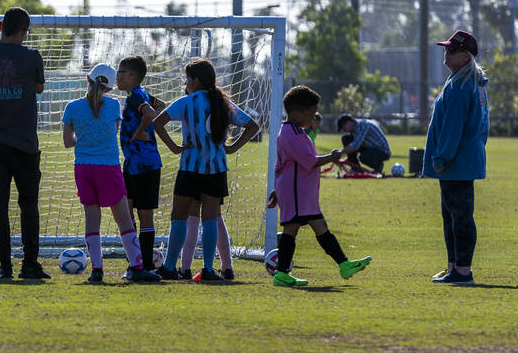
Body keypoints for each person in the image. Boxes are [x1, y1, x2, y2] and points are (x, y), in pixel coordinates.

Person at [150, 57, 260, 282]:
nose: (186, 83)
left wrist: (174, 147)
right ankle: (209, 269)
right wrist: (231, 148)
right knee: (210, 218)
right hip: (216, 168)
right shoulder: (222, 103)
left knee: (179, 217)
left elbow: (157, 123)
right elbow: (252, 126)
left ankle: (170, 266)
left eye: (188, 79)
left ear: (196, 80)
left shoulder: (186, 102)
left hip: (190, 167)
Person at [0, 7, 48, 280]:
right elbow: (38, 88)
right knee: (29, 204)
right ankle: (30, 264)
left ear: (1, 24)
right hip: (25, 141)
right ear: (25, 32)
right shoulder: (32, 56)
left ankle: (4, 266)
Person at [267, 85, 372, 287]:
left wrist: (276, 188)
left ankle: (344, 264)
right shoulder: (290, 133)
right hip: (296, 191)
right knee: (291, 229)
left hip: (301, 192)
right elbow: (309, 161)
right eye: (311, 114)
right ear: (296, 113)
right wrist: (331, 157)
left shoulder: (297, 130)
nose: (313, 119)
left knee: (321, 229)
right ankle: (282, 274)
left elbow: (283, 164)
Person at [62, 64, 148, 283]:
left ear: (87, 79)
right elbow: (113, 130)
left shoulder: (71, 107)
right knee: (123, 220)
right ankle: (137, 266)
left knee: (92, 220)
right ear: (109, 88)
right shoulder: (113, 105)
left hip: (83, 167)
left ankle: (97, 270)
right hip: (108, 167)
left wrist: (81, 138)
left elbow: (67, 142)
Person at [423, 29, 489, 285]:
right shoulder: (468, 82)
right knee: (451, 216)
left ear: (466, 56)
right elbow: (484, 129)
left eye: (452, 50)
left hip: (455, 163)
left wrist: (441, 158)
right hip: (464, 160)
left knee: (459, 217)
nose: (446, 54)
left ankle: (462, 271)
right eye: (446, 49)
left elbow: (452, 127)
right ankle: (454, 267)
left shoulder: (462, 85)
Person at [115, 55, 164, 282]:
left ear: (133, 76)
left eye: (121, 71)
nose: (118, 75)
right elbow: (160, 106)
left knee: (144, 215)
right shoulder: (138, 94)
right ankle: (135, 263)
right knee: (128, 212)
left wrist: (138, 133)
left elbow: (151, 113)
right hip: (133, 164)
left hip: (145, 165)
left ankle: (144, 267)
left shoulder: (136, 96)